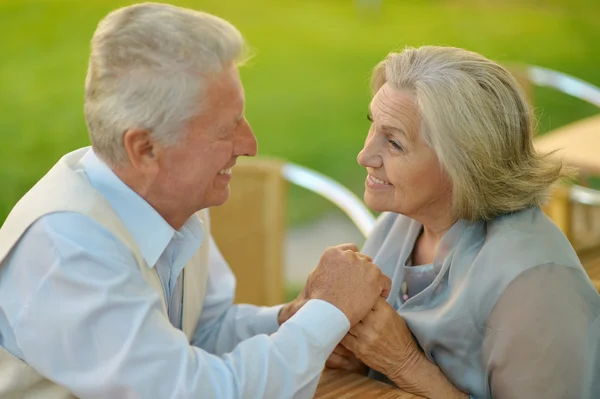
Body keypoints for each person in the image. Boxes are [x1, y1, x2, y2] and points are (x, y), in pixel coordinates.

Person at [0, 3, 392, 398]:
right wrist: (329, 314)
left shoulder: (170, 199)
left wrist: (293, 319)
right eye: (226, 129)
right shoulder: (68, 248)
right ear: (145, 149)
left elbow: (202, 332)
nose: (250, 145)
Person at [325, 46, 600, 398]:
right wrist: (353, 354)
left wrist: (404, 362)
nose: (364, 155)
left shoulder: (535, 286)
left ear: (465, 163)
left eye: (393, 142)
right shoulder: (400, 224)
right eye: (372, 128)